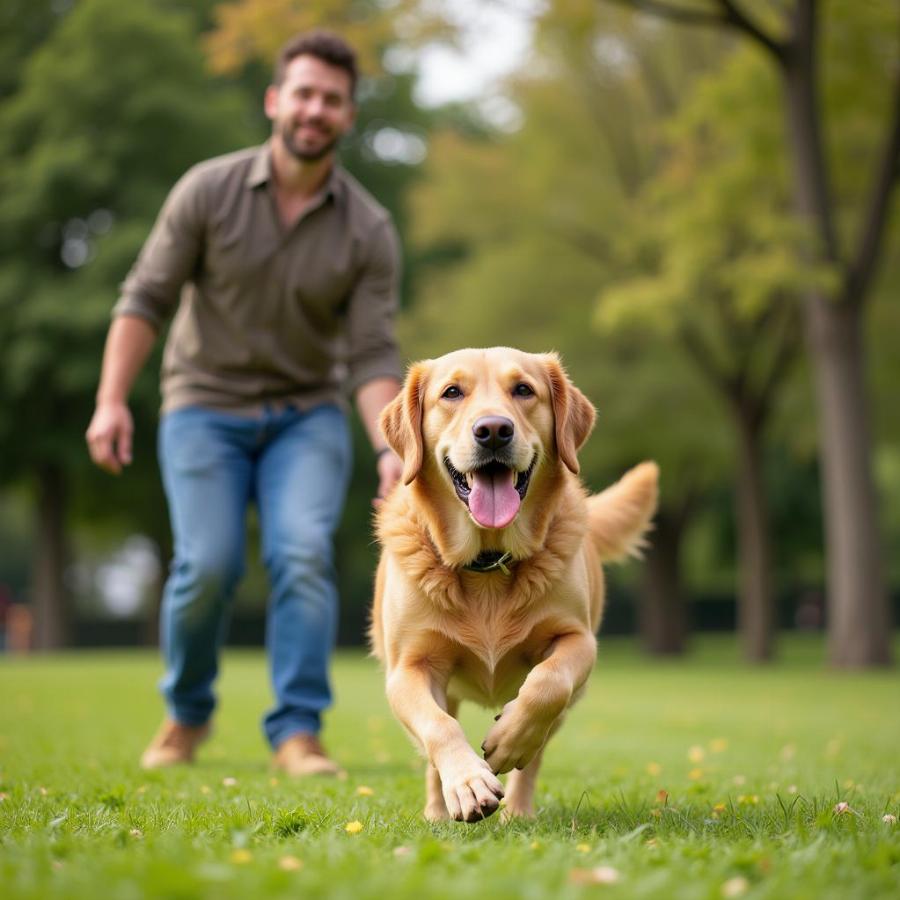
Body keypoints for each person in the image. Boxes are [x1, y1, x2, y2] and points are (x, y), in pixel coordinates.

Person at [85, 31, 403, 776]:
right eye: (303, 93)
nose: (315, 110)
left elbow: (371, 354)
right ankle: (187, 714)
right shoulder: (207, 190)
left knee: (301, 553)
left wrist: (394, 448)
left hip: (307, 414)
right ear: (274, 100)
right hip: (203, 403)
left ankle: (298, 732)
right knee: (208, 564)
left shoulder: (369, 229)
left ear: (348, 116)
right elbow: (144, 298)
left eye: (332, 99)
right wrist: (110, 401)